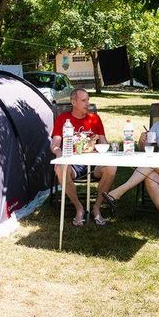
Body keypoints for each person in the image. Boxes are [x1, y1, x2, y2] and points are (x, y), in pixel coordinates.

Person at [102, 95, 159, 230]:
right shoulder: (157, 126)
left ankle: (118, 192)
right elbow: (144, 148)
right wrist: (142, 140)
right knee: (150, 178)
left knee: (151, 162)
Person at [51, 88, 117, 226]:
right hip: (74, 162)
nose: (88, 103)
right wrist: (58, 153)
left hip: (94, 162)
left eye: (88, 100)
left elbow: (103, 142)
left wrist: (105, 146)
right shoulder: (63, 119)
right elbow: (55, 145)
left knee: (111, 168)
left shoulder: (95, 118)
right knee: (61, 169)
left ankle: (96, 208)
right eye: (83, 100)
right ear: (73, 102)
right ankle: (79, 207)